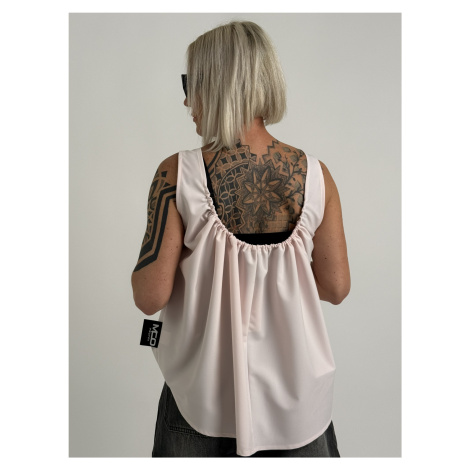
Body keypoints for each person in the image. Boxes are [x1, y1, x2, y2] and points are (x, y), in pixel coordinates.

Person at [131, 20, 350, 458]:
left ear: (218, 85)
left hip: (200, 400)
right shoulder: (316, 175)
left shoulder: (177, 174)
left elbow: (149, 297)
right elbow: (335, 287)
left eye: (190, 83)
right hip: (297, 401)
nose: (186, 100)